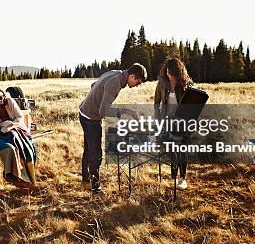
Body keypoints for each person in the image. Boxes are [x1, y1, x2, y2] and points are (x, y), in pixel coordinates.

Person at [79, 63, 148, 194]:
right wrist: (127, 111)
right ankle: (95, 187)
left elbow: (94, 85)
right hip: (91, 118)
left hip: (84, 112)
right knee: (96, 154)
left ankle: (86, 181)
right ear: (132, 76)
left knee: (88, 149)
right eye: (138, 82)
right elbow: (103, 111)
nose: (137, 85)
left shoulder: (115, 73)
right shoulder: (115, 83)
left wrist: (97, 97)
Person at [154, 58, 193, 190]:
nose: (170, 76)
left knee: (182, 149)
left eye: (172, 73)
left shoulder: (186, 83)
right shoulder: (162, 83)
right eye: (168, 72)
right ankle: (174, 176)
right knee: (171, 149)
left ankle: (183, 178)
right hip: (167, 121)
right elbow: (156, 103)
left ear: (179, 72)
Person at [0, 89, 38, 189]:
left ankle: (32, 180)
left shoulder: (10, 101)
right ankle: (22, 178)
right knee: (14, 142)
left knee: (26, 146)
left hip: (17, 127)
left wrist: (11, 125)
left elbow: (19, 117)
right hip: (5, 131)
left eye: (3, 96)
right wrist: (5, 125)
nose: (2, 99)